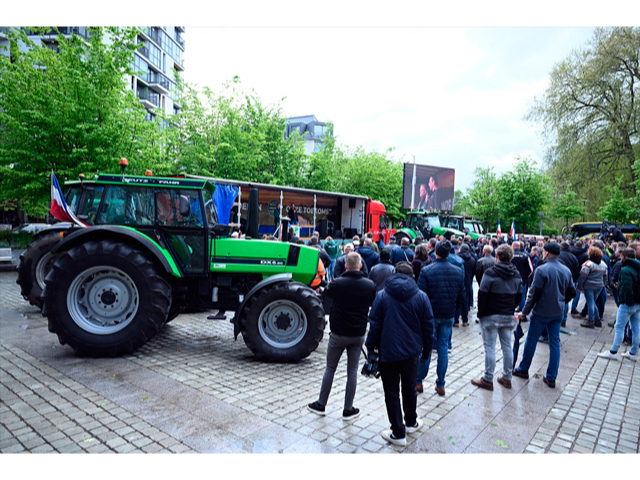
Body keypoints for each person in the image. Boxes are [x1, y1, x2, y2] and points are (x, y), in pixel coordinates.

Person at [366, 262, 434, 446]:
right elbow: (428, 327)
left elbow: (375, 325)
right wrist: (427, 350)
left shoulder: (382, 295)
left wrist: (370, 348)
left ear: (394, 274)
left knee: (391, 391)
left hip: (388, 351)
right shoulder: (421, 296)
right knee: (409, 388)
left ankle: (398, 431)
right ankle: (411, 422)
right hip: (412, 352)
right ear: (412, 276)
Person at [308, 252, 377, 420]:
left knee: (330, 369)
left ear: (346, 266)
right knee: (352, 372)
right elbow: (372, 303)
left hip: (338, 333)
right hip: (358, 333)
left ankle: (321, 404)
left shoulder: (338, 283)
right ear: (360, 266)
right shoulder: (369, 285)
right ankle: (348, 409)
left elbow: (326, 294)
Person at [512, 243, 576, 388]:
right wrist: (562, 301)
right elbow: (572, 291)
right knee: (554, 343)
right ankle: (551, 376)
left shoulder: (542, 270)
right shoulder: (566, 270)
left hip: (541, 311)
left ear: (546, 253)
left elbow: (533, 294)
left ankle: (523, 369)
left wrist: (524, 312)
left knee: (532, 340)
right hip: (557, 312)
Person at [415, 241, 465, 396]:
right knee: (443, 347)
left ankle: (418, 381)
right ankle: (441, 383)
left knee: (426, 347)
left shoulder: (427, 270)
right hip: (447, 314)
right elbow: (462, 296)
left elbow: (420, 296)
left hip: (430, 315)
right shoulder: (457, 271)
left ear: (435, 252)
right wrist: (453, 310)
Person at [471, 244, 522, 390]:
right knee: (507, 346)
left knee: (490, 347)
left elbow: (482, 294)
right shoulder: (516, 274)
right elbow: (519, 296)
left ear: (497, 256)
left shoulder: (490, 273)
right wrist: (511, 308)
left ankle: (488, 379)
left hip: (491, 314)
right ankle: (507, 377)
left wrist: (481, 313)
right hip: (507, 314)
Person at [597, 248, 639, 361]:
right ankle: (633, 352)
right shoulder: (637, 267)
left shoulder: (626, 270)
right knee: (636, 328)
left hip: (628, 303)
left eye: (621, 256)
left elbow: (627, 288)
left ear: (625, 257)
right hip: (638, 303)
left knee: (619, 327)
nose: (619, 258)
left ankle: (613, 351)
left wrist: (626, 301)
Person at [577, 246, 608, 329]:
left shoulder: (588, 264)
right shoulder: (603, 264)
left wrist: (579, 286)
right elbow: (605, 277)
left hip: (589, 286)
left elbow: (582, 276)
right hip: (599, 286)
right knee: (593, 302)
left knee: (590, 303)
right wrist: (603, 284)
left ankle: (591, 321)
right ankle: (597, 320)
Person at [457, 243, 476, 326]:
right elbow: (474, 271)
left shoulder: (456, 258)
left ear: (460, 249)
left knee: (457, 302)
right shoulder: (472, 259)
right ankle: (465, 320)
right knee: (465, 301)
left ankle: (456, 320)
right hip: (468, 281)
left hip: (458, 281)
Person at [511, 242, 533, 313]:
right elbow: (531, 269)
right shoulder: (525, 256)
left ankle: (510, 312)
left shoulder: (509, 255)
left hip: (511, 278)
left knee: (510, 295)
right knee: (522, 296)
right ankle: (522, 313)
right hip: (522, 279)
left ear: (513, 246)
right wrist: (526, 276)